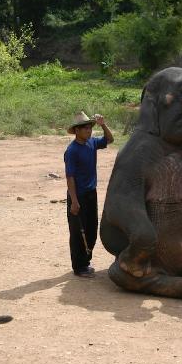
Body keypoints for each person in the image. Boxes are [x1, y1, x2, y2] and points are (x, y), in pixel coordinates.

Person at [64, 111, 114, 277]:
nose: (89, 131)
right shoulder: (72, 151)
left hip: (91, 194)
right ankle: (78, 267)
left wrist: (103, 124)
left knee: (91, 229)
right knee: (78, 232)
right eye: (85, 128)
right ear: (76, 131)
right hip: (78, 196)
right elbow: (70, 177)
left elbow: (110, 140)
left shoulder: (91, 143)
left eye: (90, 128)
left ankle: (85, 261)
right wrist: (74, 201)